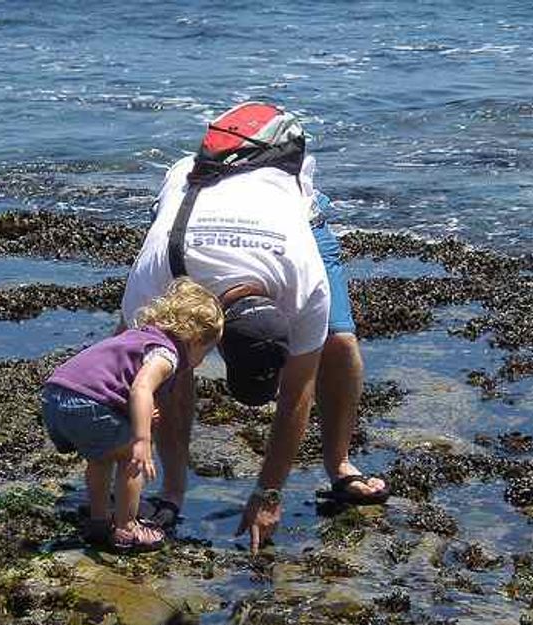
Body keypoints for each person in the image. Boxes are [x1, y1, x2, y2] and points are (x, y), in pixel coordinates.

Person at [121, 101, 387, 554]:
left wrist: (269, 492)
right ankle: (172, 491)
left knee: (339, 343)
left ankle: (340, 465)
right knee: (168, 359)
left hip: (292, 210)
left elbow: (298, 391)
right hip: (195, 200)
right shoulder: (159, 272)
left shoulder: (304, 281)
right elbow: (128, 360)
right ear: (218, 336)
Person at [42, 277, 224, 552]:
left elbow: (116, 382)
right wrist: (141, 439)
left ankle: (99, 521)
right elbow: (141, 388)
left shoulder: (140, 336)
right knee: (130, 455)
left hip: (56, 397)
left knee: (101, 456)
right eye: (206, 352)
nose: (203, 361)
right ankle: (127, 528)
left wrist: (141, 413)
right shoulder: (167, 354)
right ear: (196, 340)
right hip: (87, 403)